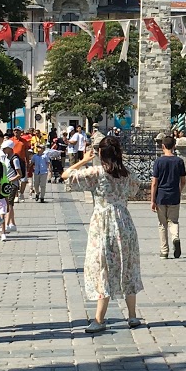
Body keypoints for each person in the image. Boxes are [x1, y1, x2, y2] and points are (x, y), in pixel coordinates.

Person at [65, 136, 144, 331]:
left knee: (102, 267)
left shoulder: (96, 173)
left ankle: (99, 319)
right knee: (127, 265)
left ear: (100, 153)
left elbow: (66, 176)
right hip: (124, 222)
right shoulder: (127, 173)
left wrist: (83, 160)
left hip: (103, 224)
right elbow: (135, 191)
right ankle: (132, 316)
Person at [151, 132, 186, 258]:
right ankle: (175, 237)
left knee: (162, 224)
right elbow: (183, 181)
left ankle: (164, 251)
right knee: (174, 221)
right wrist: (179, 190)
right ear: (174, 146)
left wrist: (152, 200)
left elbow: (154, 182)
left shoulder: (159, 162)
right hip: (174, 195)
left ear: (163, 146)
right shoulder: (179, 161)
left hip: (161, 195)